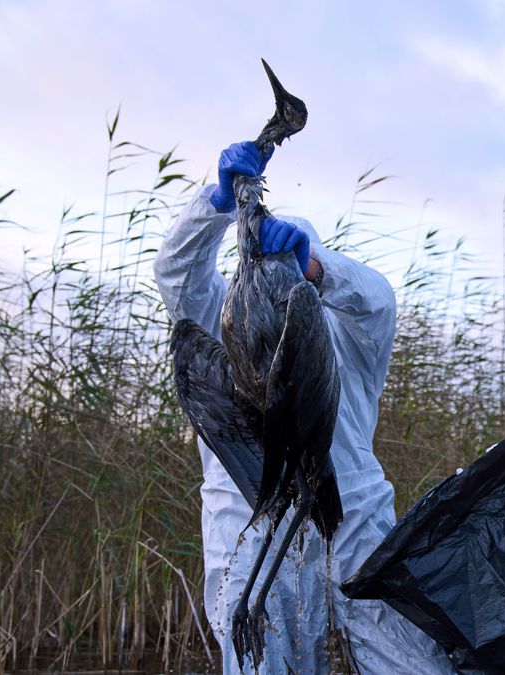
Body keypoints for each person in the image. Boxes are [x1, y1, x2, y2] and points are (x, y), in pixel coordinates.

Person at [154, 141, 453, 674]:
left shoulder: (346, 332)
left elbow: (377, 299)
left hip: (351, 516)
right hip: (250, 518)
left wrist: (316, 269)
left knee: (404, 660)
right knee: (263, 663)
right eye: (267, 265)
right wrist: (217, 204)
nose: (278, 278)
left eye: (293, 266)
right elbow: (177, 271)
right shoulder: (221, 318)